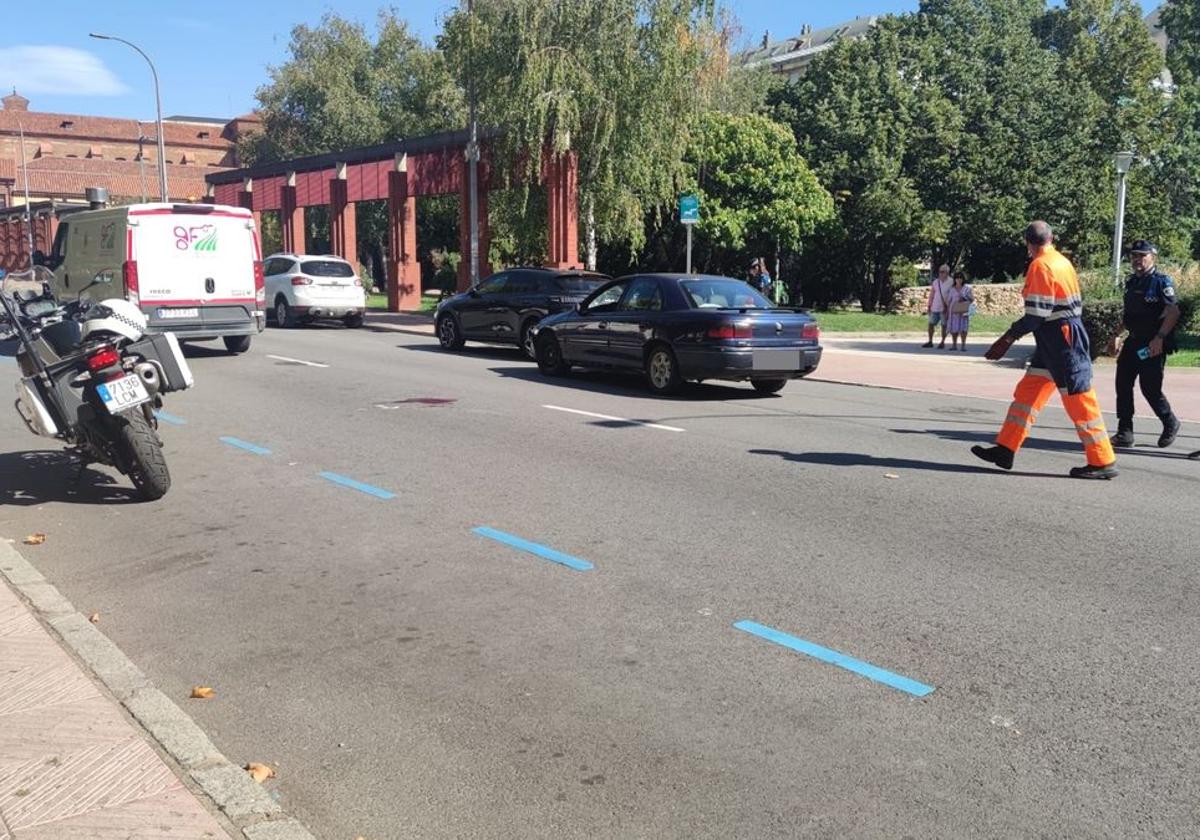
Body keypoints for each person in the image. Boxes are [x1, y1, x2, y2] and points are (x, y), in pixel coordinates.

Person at [972, 221, 1118, 479]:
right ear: (1051, 238)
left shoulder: (1040, 266)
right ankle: (1006, 448)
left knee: (1080, 400)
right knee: (1027, 394)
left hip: (1061, 341)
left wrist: (1007, 338)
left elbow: (1036, 315)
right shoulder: (1061, 260)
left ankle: (1102, 461)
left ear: (1028, 243)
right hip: (1058, 338)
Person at [1106, 239, 1181, 449]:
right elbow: (1129, 315)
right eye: (1134, 256)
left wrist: (1160, 338)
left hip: (1152, 344)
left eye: (1142, 255)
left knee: (1150, 388)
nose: (1138, 259)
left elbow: (1173, 311)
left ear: (1152, 257)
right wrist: (1115, 334)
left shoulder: (1161, 282)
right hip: (1133, 342)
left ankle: (1170, 422)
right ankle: (1124, 432)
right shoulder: (1132, 282)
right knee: (1122, 384)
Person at [922, 265, 954, 348]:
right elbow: (932, 294)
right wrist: (929, 305)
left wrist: (948, 306)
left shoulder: (951, 282)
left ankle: (942, 342)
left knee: (944, 325)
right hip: (935, 306)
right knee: (930, 324)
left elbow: (952, 295)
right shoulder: (936, 282)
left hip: (945, 308)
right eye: (940, 271)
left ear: (947, 273)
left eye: (942, 272)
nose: (940, 273)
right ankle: (930, 341)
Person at [945, 270, 974, 351]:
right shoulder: (951, 289)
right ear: (954, 279)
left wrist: (964, 298)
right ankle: (954, 345)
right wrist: (947, 312)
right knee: (954, 328)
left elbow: (972, 299)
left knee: (964, 329)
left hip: (964, 311)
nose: (959, 279)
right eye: (957, 278)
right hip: (953, 311)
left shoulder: (967, 288)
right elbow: (948, 301)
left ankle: (963, 345)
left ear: (963, 279)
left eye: (961, 278)